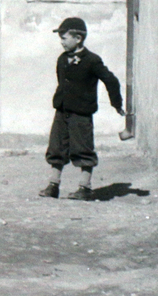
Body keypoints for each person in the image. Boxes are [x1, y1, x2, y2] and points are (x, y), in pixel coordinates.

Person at [39, 17, 124, 201]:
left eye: (64, 37)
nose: (61, 41)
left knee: (83, 149)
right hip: (62, 111)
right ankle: (53, 186)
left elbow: (111, 80)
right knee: (56, 147)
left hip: (81, 114)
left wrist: (116, 104)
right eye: (60, 38)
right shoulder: (62, 59)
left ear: (78, 38)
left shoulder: (92, 60)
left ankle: (85, 188)